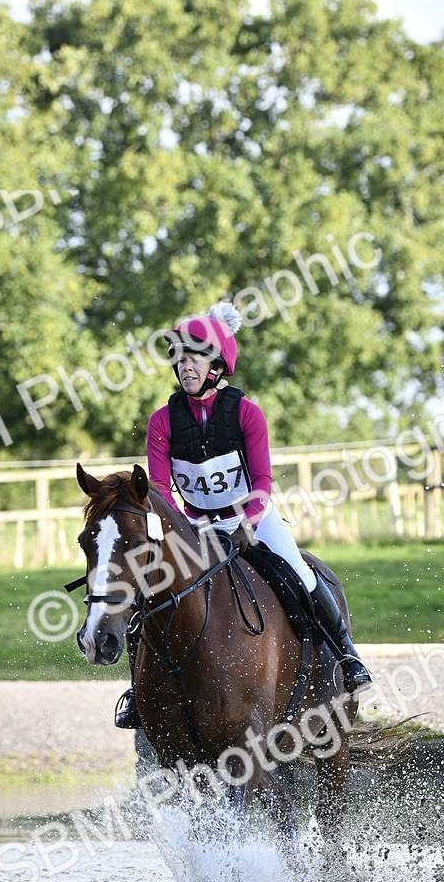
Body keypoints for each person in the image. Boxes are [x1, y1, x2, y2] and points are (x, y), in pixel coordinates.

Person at [114, 301, 372, 728]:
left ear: (217, 365)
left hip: (252, 517)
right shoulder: (162, 422)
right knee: (149, 593)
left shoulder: (247, 413)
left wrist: (245, 525)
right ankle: (138, 696)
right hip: (196, 525)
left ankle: (347, 656)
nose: (185, 366)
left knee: (300, 573)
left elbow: (263, 481)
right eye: (179, 358)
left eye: (194, 358)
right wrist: (186, 531)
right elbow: (159, 488)